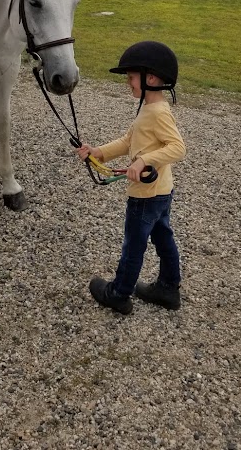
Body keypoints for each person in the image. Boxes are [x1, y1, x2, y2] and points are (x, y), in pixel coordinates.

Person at [75, 40, 186, 315]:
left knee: (133, 244)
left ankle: (119, 293)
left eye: (131, 77)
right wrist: (98, 152)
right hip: (161, 191)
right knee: (163, 237)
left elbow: (178, 147)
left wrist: (145, 160)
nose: (129, 83)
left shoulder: (158, 112)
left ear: (150, 78)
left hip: (146, 195)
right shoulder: (148, 109)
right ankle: (168, 288)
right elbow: (129, 141)